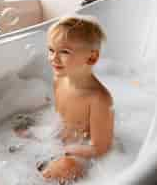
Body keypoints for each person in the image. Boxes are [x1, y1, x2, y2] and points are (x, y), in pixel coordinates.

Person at [40, 15, 114, 183]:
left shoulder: (98, 98)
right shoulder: (59, 80)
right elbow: (61, 116)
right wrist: (45, 134)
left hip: (84, 154)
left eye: (65, 52)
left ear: (91, 58)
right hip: (61, 142)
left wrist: (69, 149)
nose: (54, 58)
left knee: (61, 168)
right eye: (51, 50)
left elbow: (101, 147)